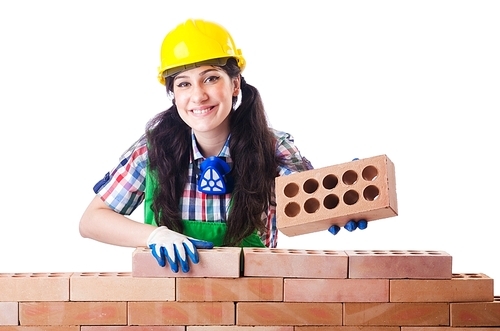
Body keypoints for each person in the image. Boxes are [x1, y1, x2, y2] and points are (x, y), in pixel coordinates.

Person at [79, 18, 366, 274]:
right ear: (173, 94)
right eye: (183, 84)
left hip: (253, 305)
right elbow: (91, 221)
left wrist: (342, 202)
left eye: (211, 78)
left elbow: (311, 200)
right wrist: (155, 235)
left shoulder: (273, 147)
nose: (198, 96)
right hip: (169, 307)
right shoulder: (152, 151)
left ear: (235, 83)